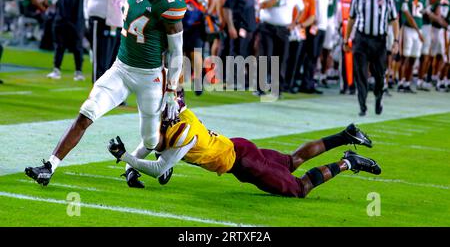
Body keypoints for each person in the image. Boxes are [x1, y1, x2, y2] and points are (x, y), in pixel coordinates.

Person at [25, 0, 186, 188]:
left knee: (151, 139)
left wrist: (172, 91)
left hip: (150, 77)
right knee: (85, 113)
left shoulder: (170, 4)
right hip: (120, 69)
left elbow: (176, 53)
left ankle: (148, 160)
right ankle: (49, 166)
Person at [108, 99, 381, 198]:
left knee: (300, 188)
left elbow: (160, 168)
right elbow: (150, 144)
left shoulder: (181, 134)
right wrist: (132, 166)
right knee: (291, 160)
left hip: (243, 163)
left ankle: (349, 162)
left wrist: (125, 158)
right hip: (238, 147)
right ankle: (346, 135)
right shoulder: (180, 117)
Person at [344, 0, 400, 116]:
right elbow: (351, 19)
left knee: (379, 75)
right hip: (361, 39)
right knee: (360, 73)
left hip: (379, 41)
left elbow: (394, 20)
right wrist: (346, 39)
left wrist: (396, 41)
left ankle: (378, 97)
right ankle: (362, 106)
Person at [258, 0, 304, 94]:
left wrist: (294, 23)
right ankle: (260, 87)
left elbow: (301, 9)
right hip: (267, 26)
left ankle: (277, 87)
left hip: (283, 29)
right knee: (265, 56)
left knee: (281, 58)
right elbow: (262, 5)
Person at [46, 0, 86, 81]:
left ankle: (78, 71)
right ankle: (56, 69)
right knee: (59, 44)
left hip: (77, 15)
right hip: (62, 14)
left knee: (77, 46)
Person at [300, 0, 333, 94]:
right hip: (313, 26)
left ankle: (310, 82)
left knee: (315, 56)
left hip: (323, 26)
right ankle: (306, 83)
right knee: (310, 55)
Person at [398, 0, 426, 93]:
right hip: (408, 29)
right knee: (404, 57)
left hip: (418, 29)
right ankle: (401, 82)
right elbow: (407, 14)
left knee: (413, 58)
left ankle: (407, 83)